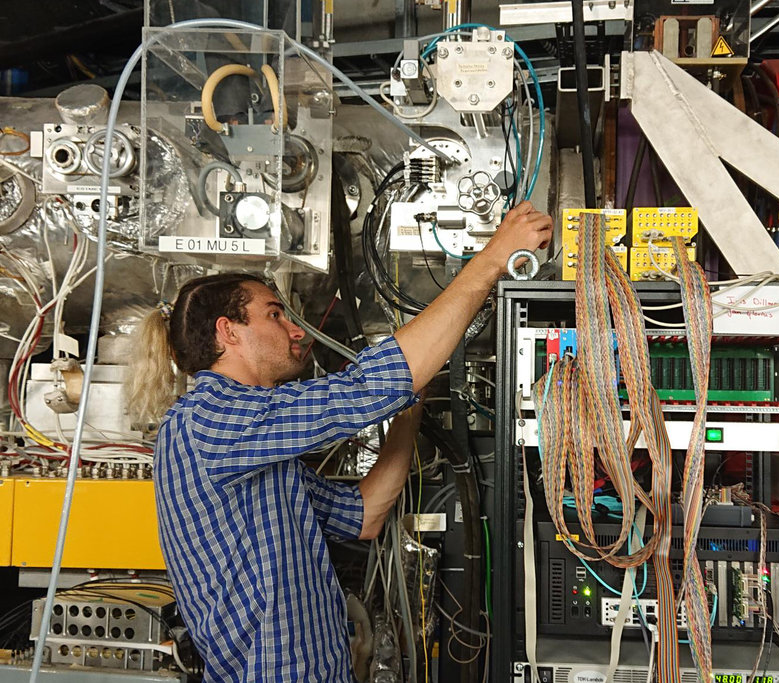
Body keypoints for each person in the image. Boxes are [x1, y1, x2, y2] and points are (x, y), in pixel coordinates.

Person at [127, 200, 552, 682]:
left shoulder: (259, 448)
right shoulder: (209, 419)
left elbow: (365, 516)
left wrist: (407, 413)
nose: (294, 329)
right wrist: (493, 258)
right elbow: (365, 389)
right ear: (230, 332)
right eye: (274, 314)